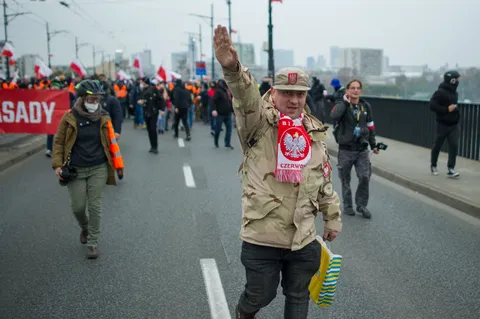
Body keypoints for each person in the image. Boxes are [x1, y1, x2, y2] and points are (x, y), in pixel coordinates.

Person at [213, 25, 342, 319]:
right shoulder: (257, 123)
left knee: (298, 297)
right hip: (263, 235)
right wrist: (232, 68)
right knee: (261, 294)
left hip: (303, 237)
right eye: (287, 93)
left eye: (299, 94)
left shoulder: (313, 131)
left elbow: (323, 178)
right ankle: (243, 313)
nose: (294, 100)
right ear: (274, 93)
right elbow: (244, 98)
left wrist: (332, 217)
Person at [51, 80, 124, 259]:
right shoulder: (69, 117)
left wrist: (119, 166)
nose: (94, 103)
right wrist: (57, 165)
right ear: (82, 98)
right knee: (78, 207)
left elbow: (112, 144)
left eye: (97, 99)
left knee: (95, 206)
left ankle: (93, 242)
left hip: (98, 167)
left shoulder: (104, 117)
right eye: (91, 99)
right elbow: (59, 142)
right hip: (75, 169)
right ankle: (85, 228)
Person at [330, 79, 378, 218]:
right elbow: (334, 115)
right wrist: (345, 102)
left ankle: (361, 205)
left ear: (360, 90)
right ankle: (348, 205)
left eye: (358, 88)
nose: (355, 90)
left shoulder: (365, 106)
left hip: (362, 148)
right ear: (347, 90)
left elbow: (371, 126)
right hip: (346, 149)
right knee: (345, 179)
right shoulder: (342, 105)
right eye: (352, 88)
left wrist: (373, 144)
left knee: (364, 177)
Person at [429, 70, 461, 178]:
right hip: (442, 123)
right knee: (438, 145)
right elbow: (432, 105)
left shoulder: (455, 93)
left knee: (454, 145)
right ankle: (433, 165)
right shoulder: (440, 92)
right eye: (457, 79)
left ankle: (451, 168)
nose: (458, 81)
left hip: (453, 124)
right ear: (452, 80)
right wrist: (446, 109)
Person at [138, 77, 165, 154]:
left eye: (142, 82)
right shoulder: (142, 90)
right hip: (146, 112)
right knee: (149, 130)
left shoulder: (153, 89)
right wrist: (141, 102)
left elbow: (160, 99)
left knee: (153, 129)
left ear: (144, 82)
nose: (141, 83)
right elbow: (144, 101)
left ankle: (155, 147)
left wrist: (162, 109)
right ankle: (152, 146)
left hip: (153, 112)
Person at [212, 79, 234, 149]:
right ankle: (216, 142)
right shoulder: (218, 91)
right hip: (220, 114)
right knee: (218, 129)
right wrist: (214, 110)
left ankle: (227, 143)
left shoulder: (228, 91)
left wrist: (233, 110)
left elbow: (230, 102)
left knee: (229, 129)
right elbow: (213, 101)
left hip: (228, 113)